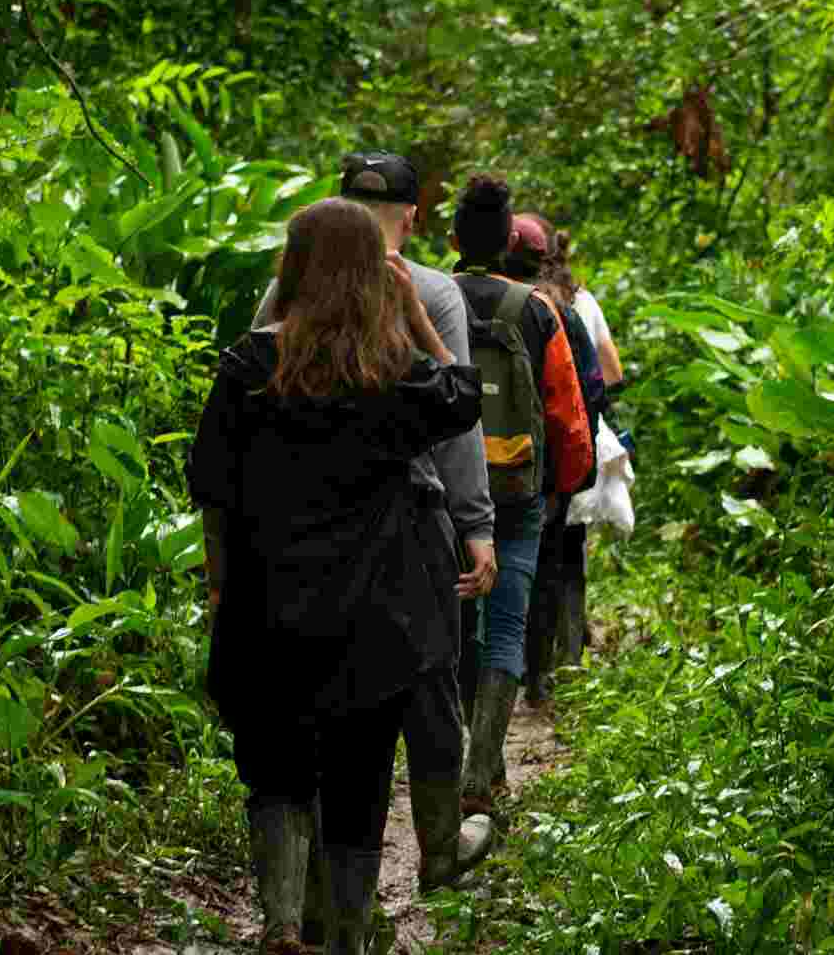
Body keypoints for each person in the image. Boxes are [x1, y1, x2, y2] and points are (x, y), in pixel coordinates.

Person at [188, 197, 483, 955]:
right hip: (371, 621)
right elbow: (462, 396)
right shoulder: (389, 373)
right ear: (370, 279)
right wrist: (417, 313)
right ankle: (348, 936)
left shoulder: (248, 366)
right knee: (357, 781)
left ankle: (284, 924)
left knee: (277, 773)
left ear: (293, 266)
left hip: (267, 606)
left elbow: (212, 492)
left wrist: (222, 590)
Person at [253, 152, 497, 911]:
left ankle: (308, 903)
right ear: (413, 216)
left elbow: (247, 384)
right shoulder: (428, 290)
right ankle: (436, 848)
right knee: (424, 690)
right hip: (405, 539)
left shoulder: (286, 292)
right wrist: (477, 524)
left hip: (292, 541)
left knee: (309, 724)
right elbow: (459, 413)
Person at [451, 177, 593, 815]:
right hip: (516, 491)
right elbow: (568, 413)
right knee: (507, 623)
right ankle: (482, 773)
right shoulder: (537, 310)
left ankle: (469, 762)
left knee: (458, 631)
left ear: (452, 238)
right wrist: (563, 486)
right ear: (509, 239)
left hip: (445, 496)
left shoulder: (427, 298)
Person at [510, 214, 609, 702]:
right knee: (546, 568)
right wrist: (574, 474)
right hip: (540, 471)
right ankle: (537, 674)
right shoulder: (556, 310)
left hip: (468, 468)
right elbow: (584, 396)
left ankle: (478, 684)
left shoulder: (454, 298)